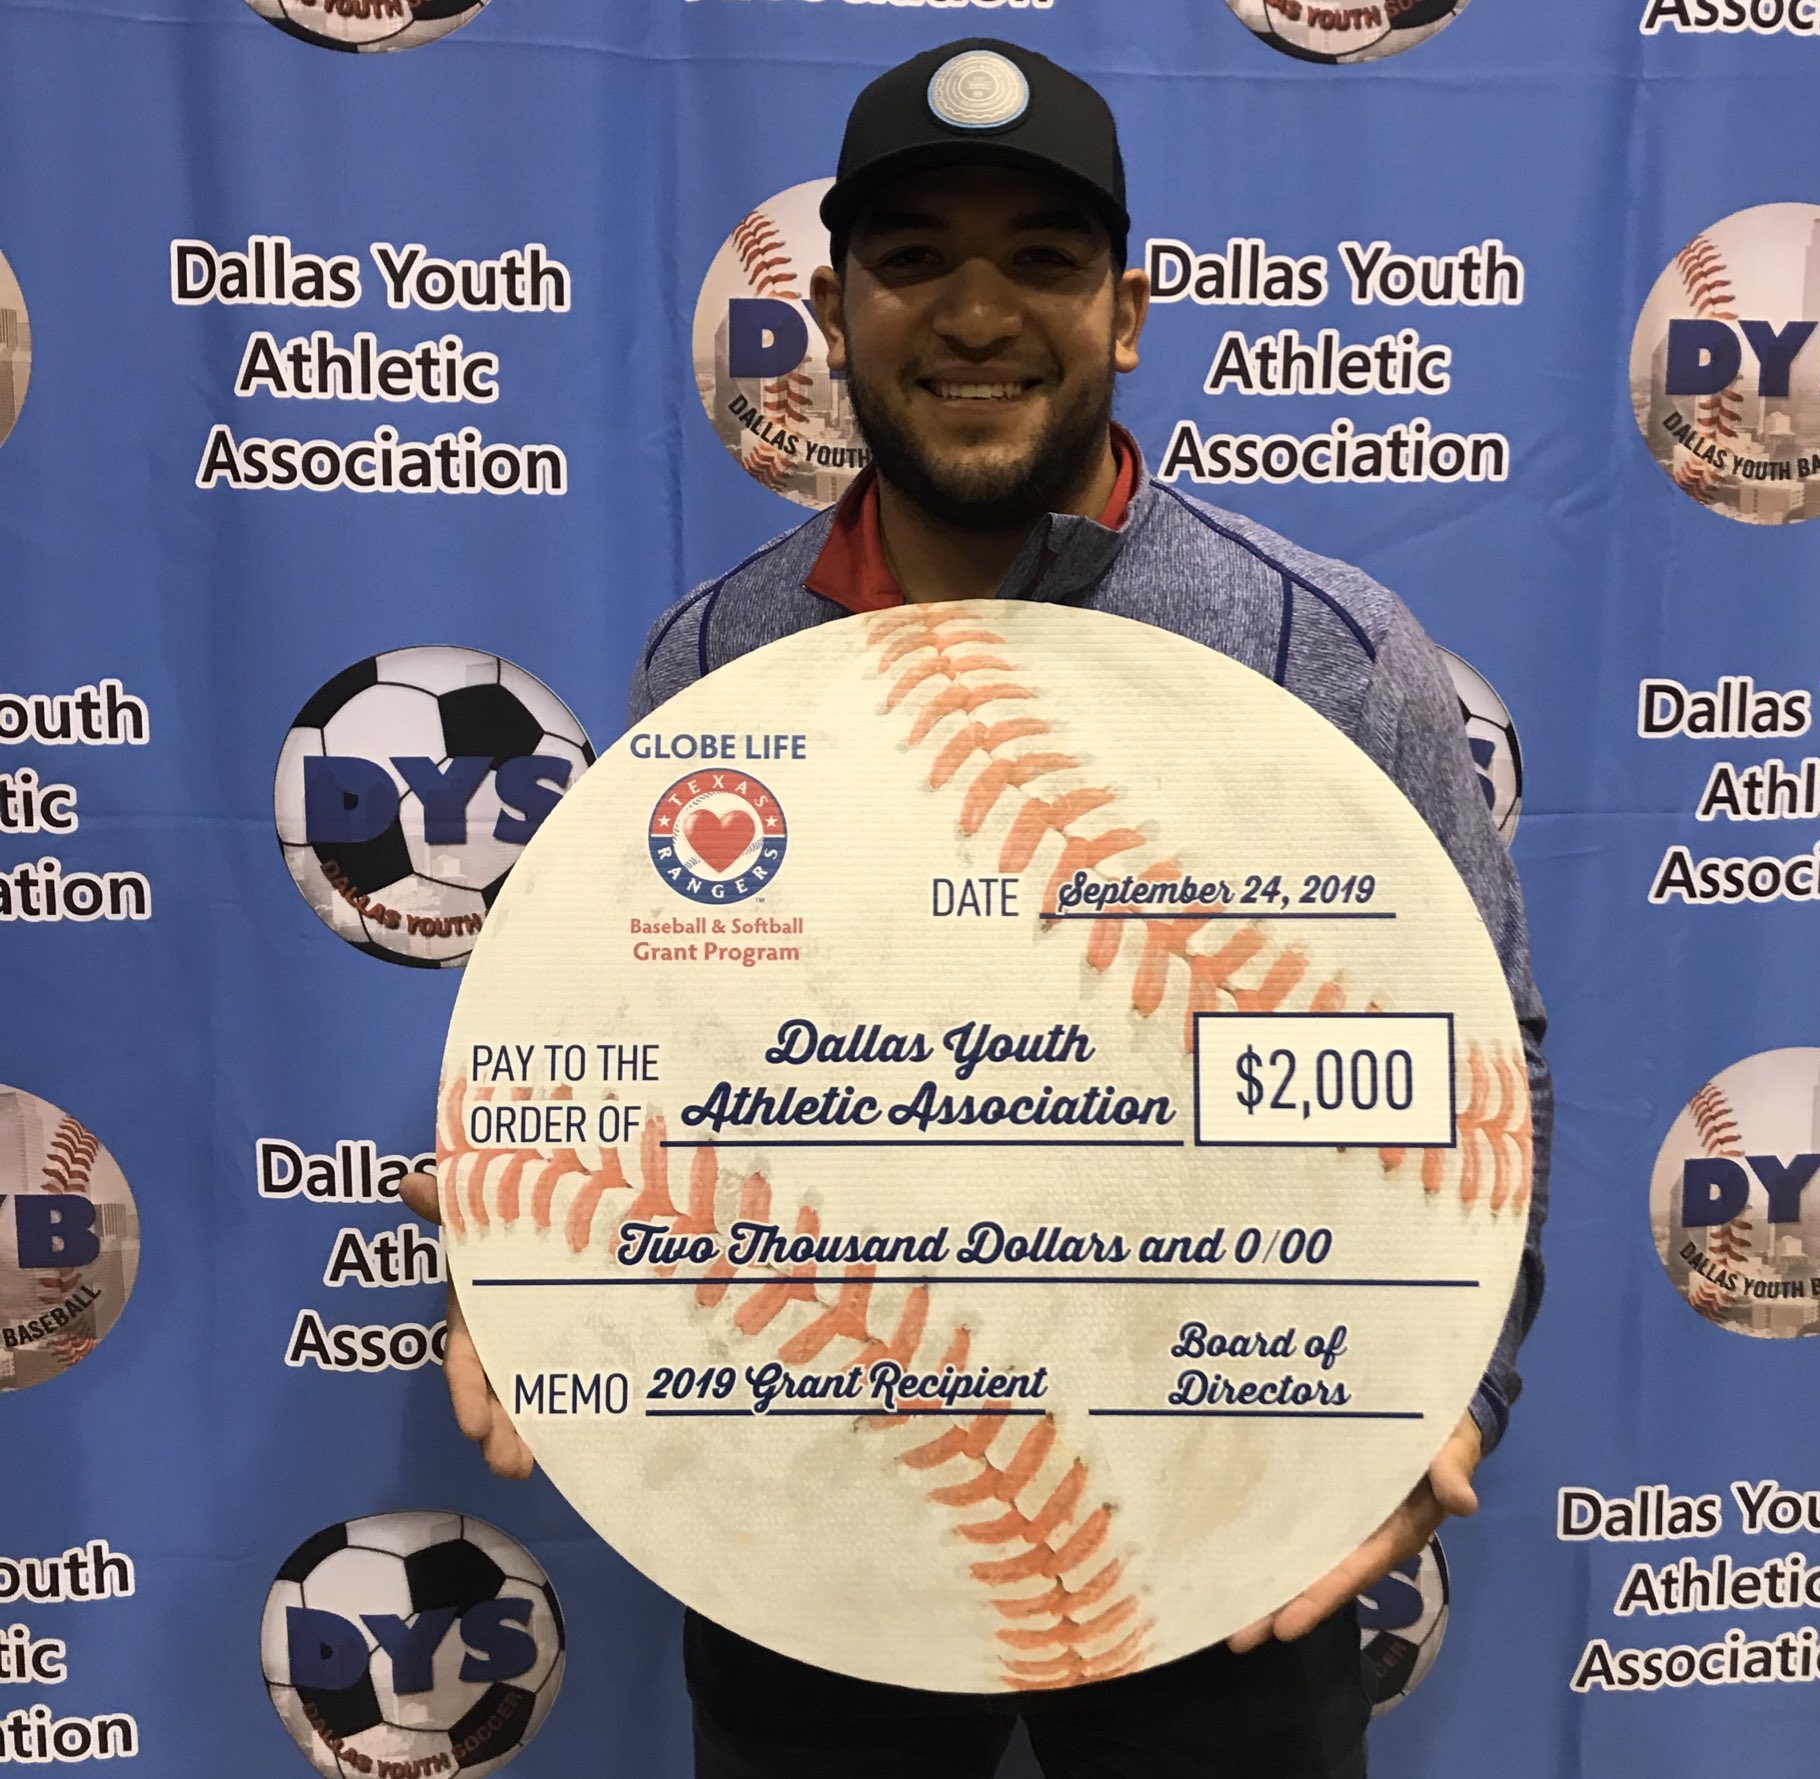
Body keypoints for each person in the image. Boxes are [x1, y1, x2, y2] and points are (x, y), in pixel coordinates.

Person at [402, 37, 1550, 1778]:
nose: (980, 312)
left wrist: (1449, 1389)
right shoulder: (714, 658)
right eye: (916, 257)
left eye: (1043, 256)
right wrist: (530, 1253)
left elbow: (1478, 1060)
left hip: (1226, 1483)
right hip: (814, 1484)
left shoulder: (1326, 648)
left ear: (1129, 313)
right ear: (832, 310)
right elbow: (642, 1048)